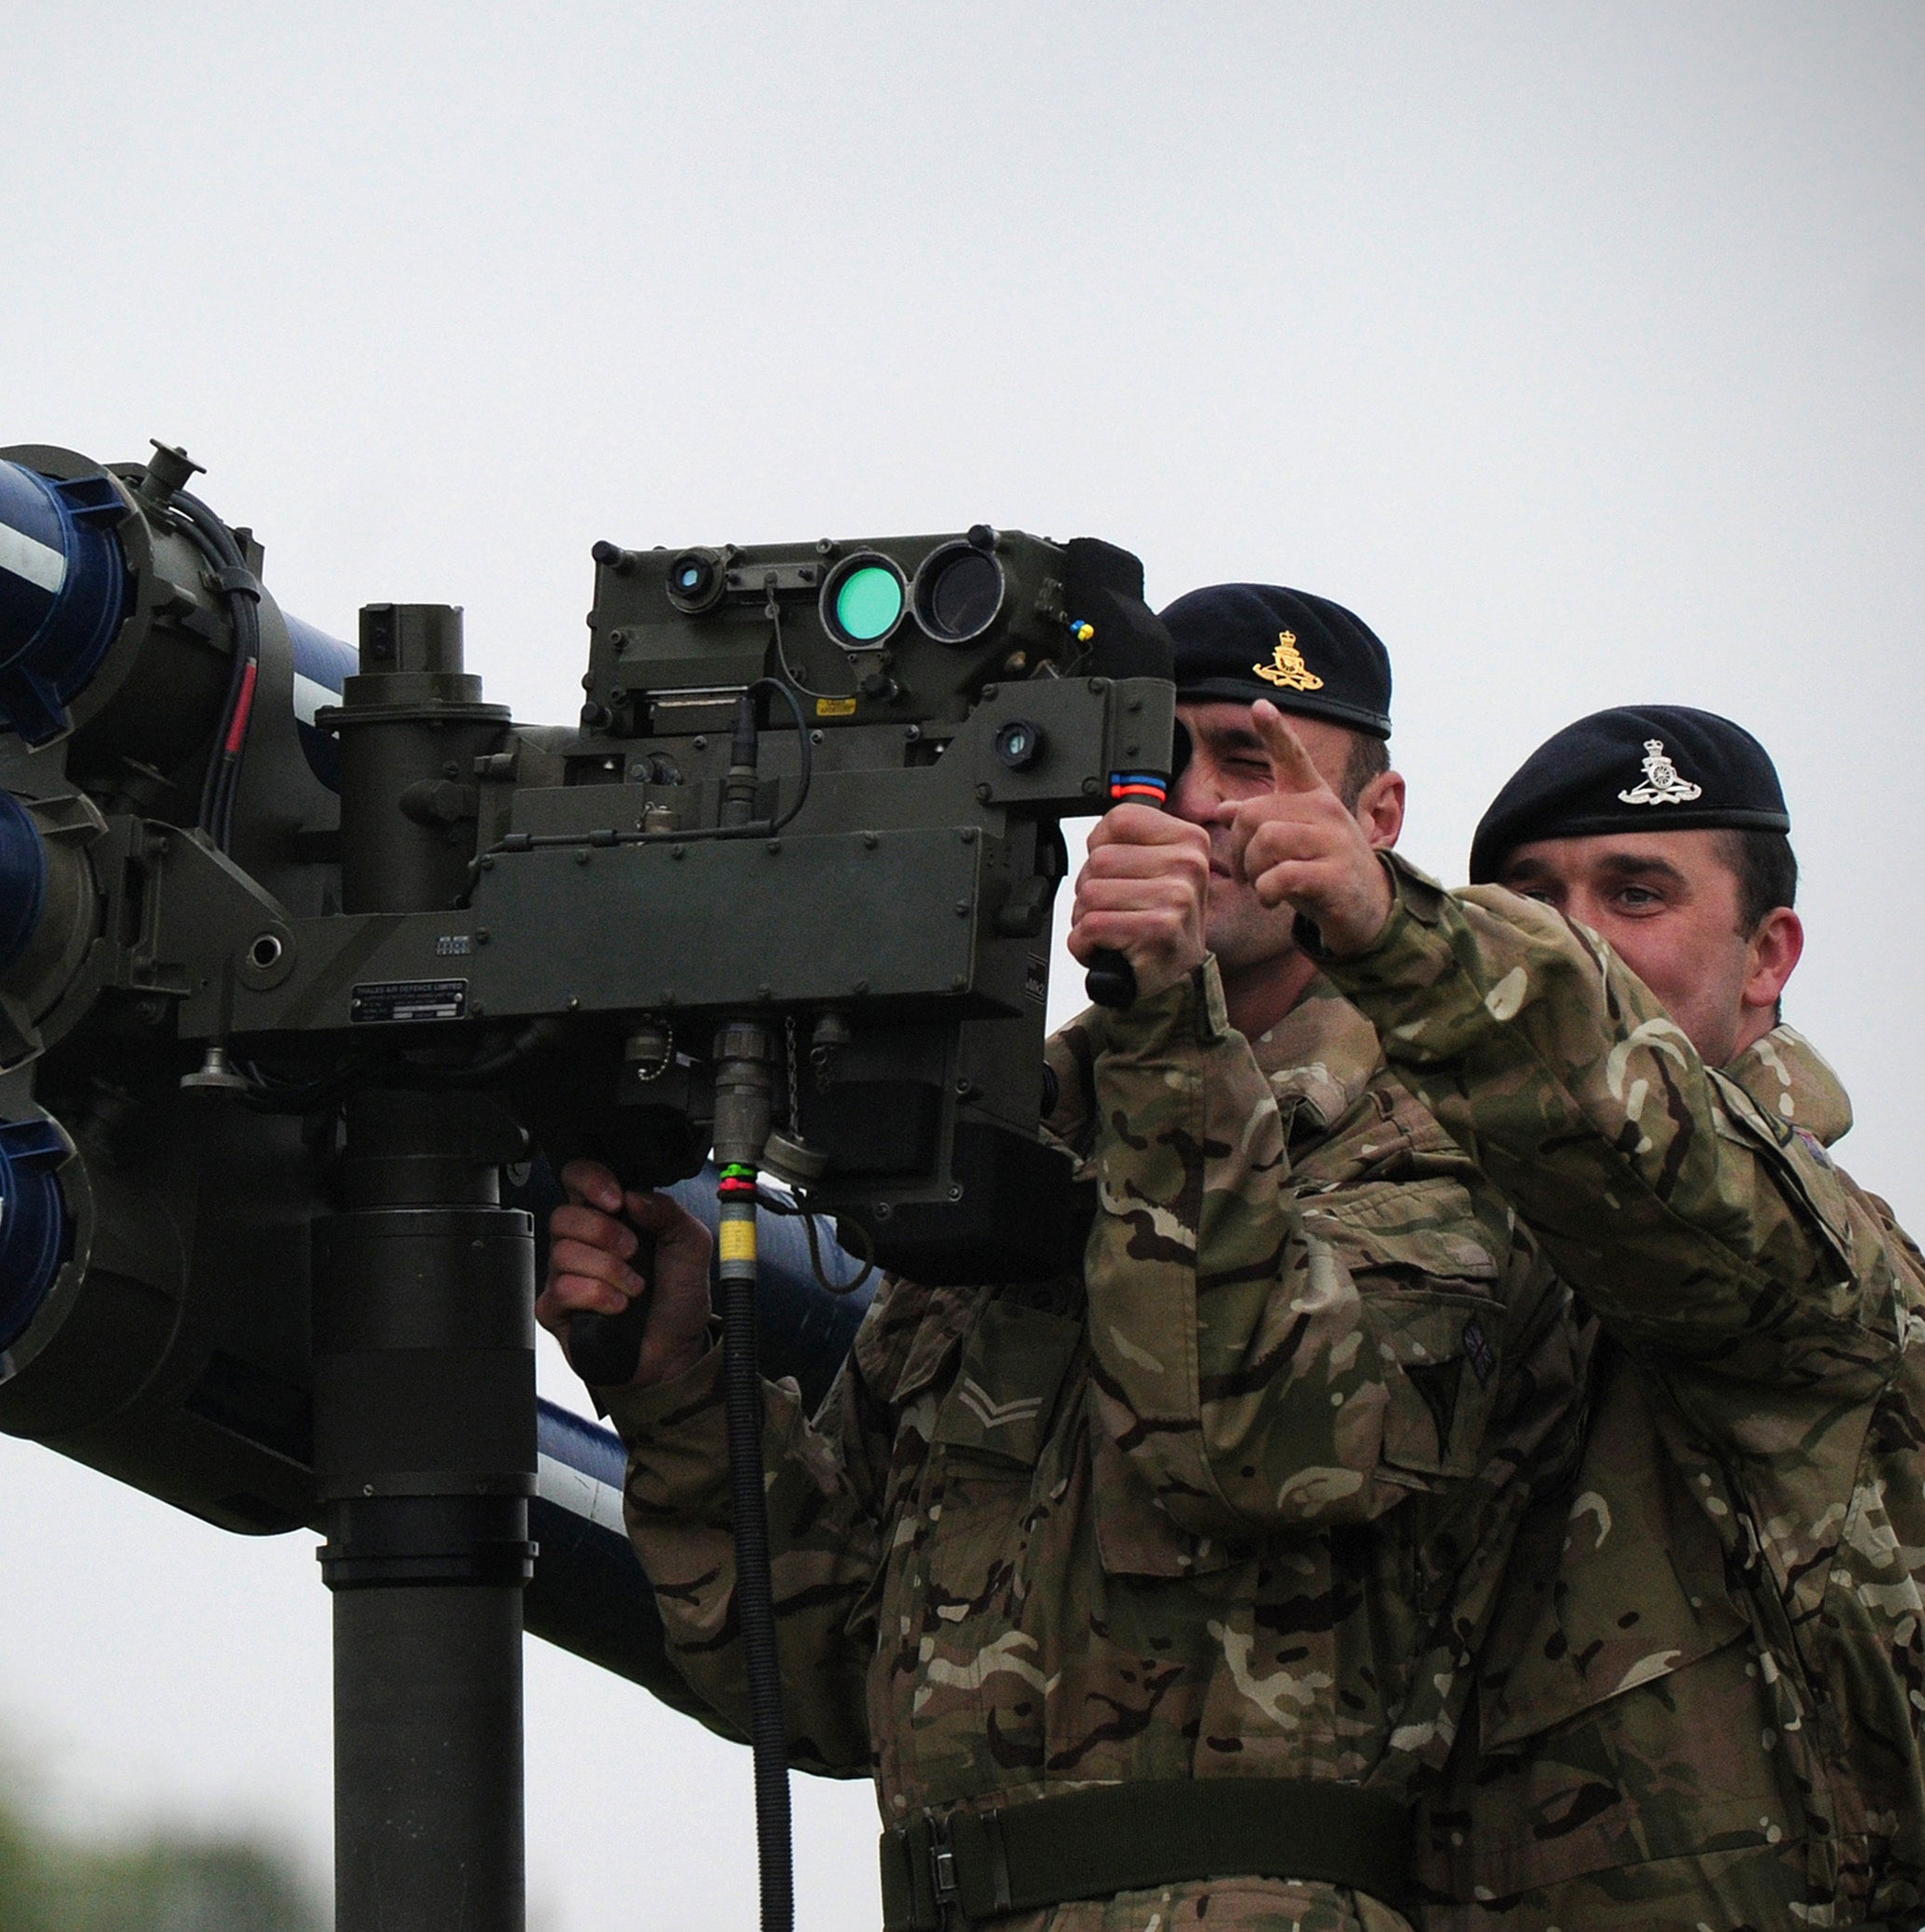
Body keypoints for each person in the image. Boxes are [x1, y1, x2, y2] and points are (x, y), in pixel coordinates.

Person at [539, 586, 1588, 1931]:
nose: (1198, 802)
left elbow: (1245, 1442)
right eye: (1162, 755)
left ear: (1374, 821)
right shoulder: (1019, 1149)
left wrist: (1165, 1030)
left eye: (1253, 761)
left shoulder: (1438, 1139)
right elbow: (821, 1678)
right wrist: (681, 1381)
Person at [1230, 700, 1925, 1926]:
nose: (1575, 937)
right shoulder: (1455, 1252)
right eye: (1527, 901)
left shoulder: (1815, 1245)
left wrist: (1402, 933)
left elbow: (1642, 1152)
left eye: (1637, 893)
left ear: (1768, 956)